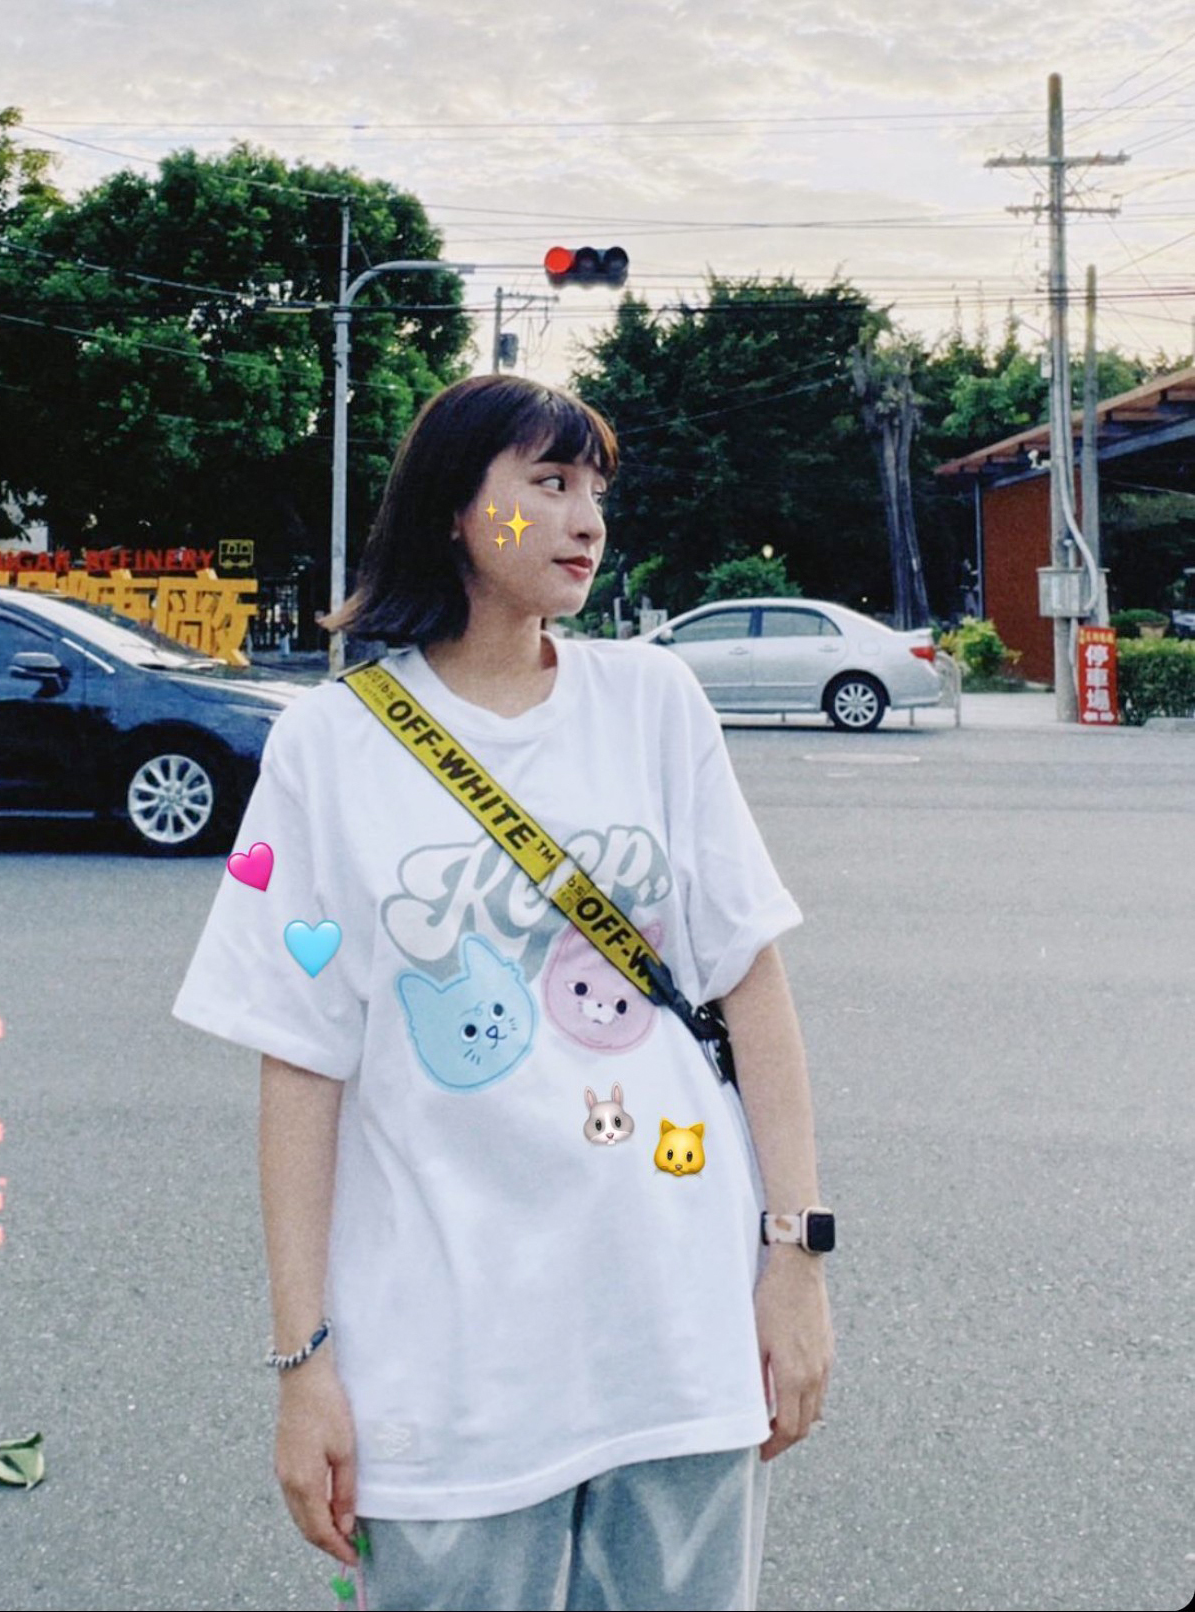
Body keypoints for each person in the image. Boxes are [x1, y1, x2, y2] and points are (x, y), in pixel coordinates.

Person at [171, 374, 833, 1611]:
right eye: (548, 484)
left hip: (675, 1326)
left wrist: (795, 1260)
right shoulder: (329, 745)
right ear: (456, 510)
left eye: (596, 489)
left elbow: (751, 982)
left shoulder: (654, 704)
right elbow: (299, 1061)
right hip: (447, 1367)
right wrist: (302, 1363)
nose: (586, 519)